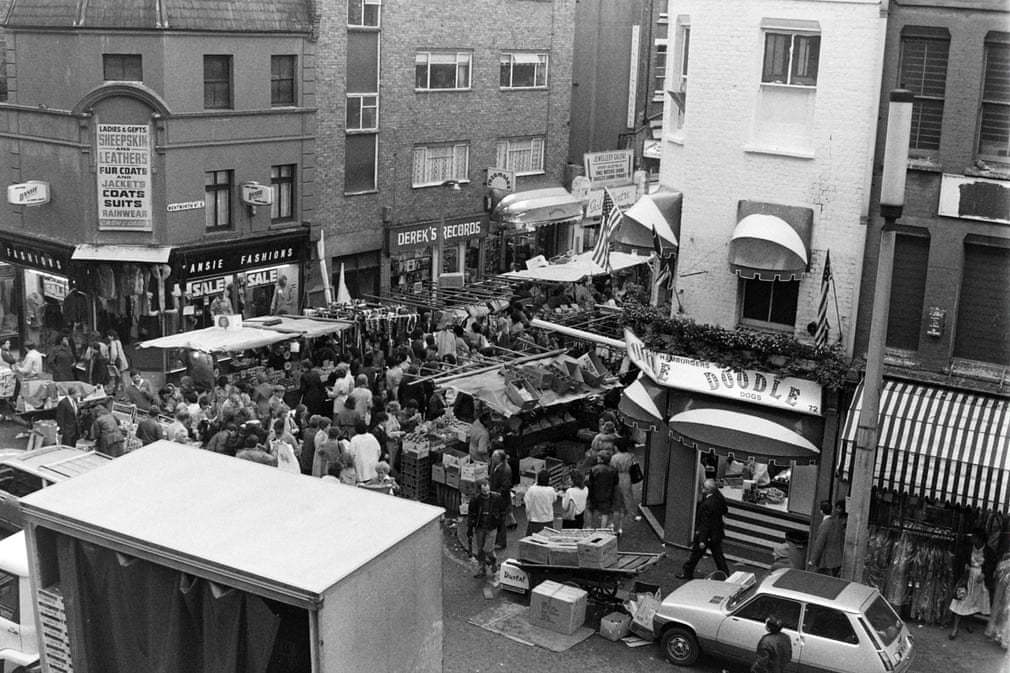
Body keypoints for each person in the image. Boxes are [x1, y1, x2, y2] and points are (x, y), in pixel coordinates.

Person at [678, 478, 730, 579]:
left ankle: (687, 573)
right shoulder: (718, 497)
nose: (702, 490)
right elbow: (725, 509)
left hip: (706, 535)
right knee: (718, 556)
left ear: (709, 490)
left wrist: (702, 540)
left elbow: (705, 524)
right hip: (716, 533)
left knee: (696, 555)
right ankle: (726, 574)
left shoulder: (707, 504)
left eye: (704, 488)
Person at [949, 530, 996, 640]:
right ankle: (955, 629)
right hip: (967, 579)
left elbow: (991, 564)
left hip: (979, 581)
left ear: (980, 539)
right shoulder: (967, 549)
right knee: (960, 600)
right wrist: (964, 566)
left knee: (973, 603)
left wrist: (985, 573)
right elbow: (960, 560)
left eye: (974, 537)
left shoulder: (988, 551)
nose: (972, 539)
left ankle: (969, 623)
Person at [468, 478, 508, 578]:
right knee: (480, 549)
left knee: (488, 548)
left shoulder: (497, 498)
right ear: (480, 490)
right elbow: (472, 515)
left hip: (492, 527)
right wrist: (470, 528)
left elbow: (503, 511)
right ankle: (482, 569)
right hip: (480, 527)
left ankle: (493, 562)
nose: (486, 493)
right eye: (484, 491)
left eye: (487, 490)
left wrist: (500, 522)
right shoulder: (475, 500)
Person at [808, 500, 844, 576]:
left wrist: (813, 560)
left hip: (826, 561)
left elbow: (819, 543)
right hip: (837, 560)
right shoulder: (837, 522)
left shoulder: (825, 525)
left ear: (821, 511)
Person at [609, 437, 637, 536]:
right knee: (627, 495)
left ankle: (616, 520)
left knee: (616, 498)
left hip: (618, 476)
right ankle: (629, 512)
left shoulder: (614, 457)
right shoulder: (630, 456)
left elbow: (612, 469)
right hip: (627, 476)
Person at [587, 452, 619, 529]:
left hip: (594, 493)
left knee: (590, 510)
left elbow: (590, 482)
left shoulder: (594, 469)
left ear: (601, 459)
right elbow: (616, 482)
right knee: (605, 513)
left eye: (599, 457)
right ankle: (602, 529)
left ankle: (589, 527)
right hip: (607, 494)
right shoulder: (613, 470)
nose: (597, 458)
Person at [488, 448, 513, 549]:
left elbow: (505, 487)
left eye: (494, 456)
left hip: (501, 500)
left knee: (501, 521)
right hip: (494, 496)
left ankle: (501, 542)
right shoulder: (494, 465)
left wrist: (495, 494)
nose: (492, 457)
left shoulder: (506, 470)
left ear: (499, 459)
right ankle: (496, 540)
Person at [523, 469, 557, 536]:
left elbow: (527, 503)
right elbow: (554, 499)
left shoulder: (532, 489)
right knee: (546, 543)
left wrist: (528, 516)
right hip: (548, 521)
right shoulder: (551, 490)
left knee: (532, 544)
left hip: (534, 521)